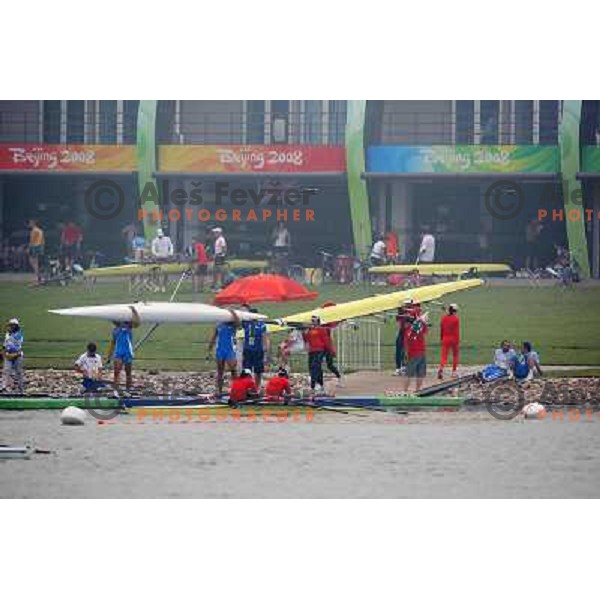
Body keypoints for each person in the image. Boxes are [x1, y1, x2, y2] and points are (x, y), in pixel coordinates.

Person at [107, 306, 141, 396]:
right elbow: (113, 344)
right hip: (119, 353)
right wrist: (109, 356)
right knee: (116, 372)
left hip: (127, 353)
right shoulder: (115, 330)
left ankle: (128, 391)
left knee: (128, 372)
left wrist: (134, 310)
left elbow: (137, 323)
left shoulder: (128, 326)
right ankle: (115, 391)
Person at [207, 308, 240, 397]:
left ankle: (236, 389)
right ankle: (219, 390)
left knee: (233, 370)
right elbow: (214, 336)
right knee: (220, 371)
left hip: (229, 349)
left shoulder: (232, 325)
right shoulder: (219, 325)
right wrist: (210, 347)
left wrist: (232, 312)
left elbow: (238, 323)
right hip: (220, 350)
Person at [302, 315, 333, 394]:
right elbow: (306, 339)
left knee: (315, 367)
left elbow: (326, 340)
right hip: (311, 350)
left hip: (319, 350)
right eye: (311, 320)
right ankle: (318, 384)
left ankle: (314, 385)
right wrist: (304, 333)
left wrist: (330, 350)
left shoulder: (321, 329)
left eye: (314, 320)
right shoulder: (309, 330)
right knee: (311, 367)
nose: (312, 322)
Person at [241, 308, 270, 389]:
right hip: (248, 350)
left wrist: (266, 349)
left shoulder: (261, 325)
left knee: (258, 371)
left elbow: (265, 337)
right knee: (247, 370)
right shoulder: (246, 323)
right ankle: (247, 386)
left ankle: (257, 388)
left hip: (258, 350)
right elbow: (239, 318)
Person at [402, 312, 429, 393]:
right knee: (420, 373)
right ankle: (417, 390)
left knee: (408, 374)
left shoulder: (408, 331)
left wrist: (406, 355)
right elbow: (425, 330)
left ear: (408, 323)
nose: (404, 325)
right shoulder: (418, 328)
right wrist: (423, 322)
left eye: (405, 323)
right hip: (422, 353)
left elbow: (407, 344)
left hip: (413, 355)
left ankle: (405, 391)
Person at [438, 303, 460, 379]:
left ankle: (441, 369)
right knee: (455, 356)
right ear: (455, 311)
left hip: (445, 338)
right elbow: (456, 331)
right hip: (454, 339)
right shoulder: (456, 319)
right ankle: (454, 372)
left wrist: (441, 338)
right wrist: (457, 340)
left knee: (444, 356)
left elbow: (442, 329)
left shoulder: (443, 318)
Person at [2, 318, 24, 393]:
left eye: (12, 326)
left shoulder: (19, 335)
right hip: (8, 355)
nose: (10, 327)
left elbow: (17, 347)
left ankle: (21, 388)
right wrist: (5, 352)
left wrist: (12, 355)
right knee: (6, 370)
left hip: (17, 355)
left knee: (18, 372)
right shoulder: (8, 334)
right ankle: (3, 387)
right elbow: (5, 344)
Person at [394, 299, 413, 375]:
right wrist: (401, 310)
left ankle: (405, 366)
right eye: (406, 304)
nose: (407, 305)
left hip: (408, 333)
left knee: (406, 350)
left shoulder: (412, 311)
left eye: (408, 304)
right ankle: (398, 368)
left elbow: (412, 320)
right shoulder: (402, 310)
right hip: (402, 332)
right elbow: (397, 318)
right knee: (399, 349)